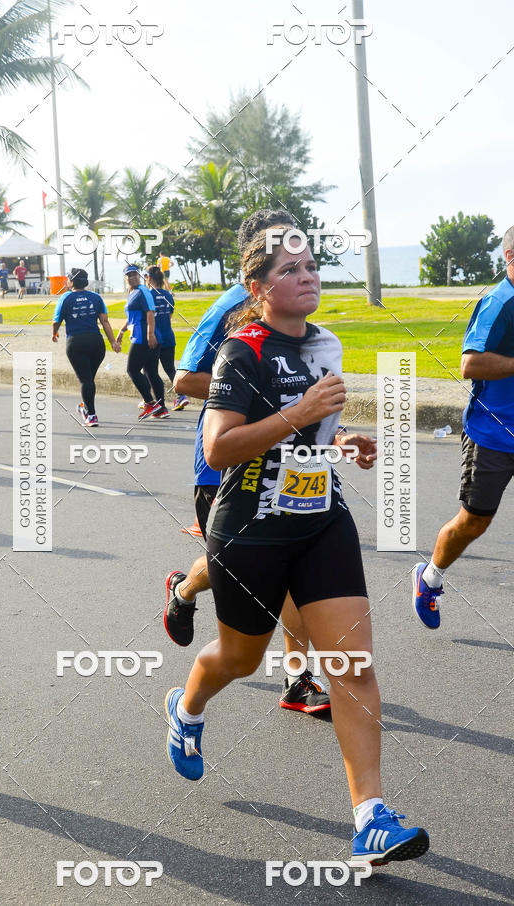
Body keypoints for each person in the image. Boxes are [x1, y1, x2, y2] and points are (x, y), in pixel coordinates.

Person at [165, 226, 430, 867]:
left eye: (312, 265)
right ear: (259, 289)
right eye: (291, 269)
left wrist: (346, 443)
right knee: (239, 658)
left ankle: (369, 816)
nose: (309, 275)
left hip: (320, 520)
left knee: (352, 663)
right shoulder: (242, 352)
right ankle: (187, 704)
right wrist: (302, 408)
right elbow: (220, 448)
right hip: (250, 527)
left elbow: (307, 438)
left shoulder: (326, 345)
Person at [166, 210, 331, 715]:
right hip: (224, 468)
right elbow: (185, 379)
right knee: (236, 573)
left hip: (292, 470)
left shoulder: (299, 306)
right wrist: (259, 397)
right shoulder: (233, 307)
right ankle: (185, 585)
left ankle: (296, 679)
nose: (301, 267)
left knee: (293, 581)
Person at [412, 224, 514, 628]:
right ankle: (430, 578)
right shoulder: (499, 302)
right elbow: (469, 365)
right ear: (510, 257)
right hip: (494, 433)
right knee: (475, 520)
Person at [52, 268, 116, 427]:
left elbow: (56, 321)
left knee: (86, 380)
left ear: (72, 281)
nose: (66, 281)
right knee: (88, 379)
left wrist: (54, 333)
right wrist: (113, 342)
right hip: (97, 343)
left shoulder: (65, 298)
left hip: (76, 343)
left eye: (68, 278)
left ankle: (91, 415)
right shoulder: (96, 297)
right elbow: (104, 321)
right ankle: (85, 407)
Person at [116, 264, 169, 419]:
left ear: (139, 276)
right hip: (141, 335)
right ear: (125, 278)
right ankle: (161, 408)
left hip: (144, 337)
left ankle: (150, 403)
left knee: (132, 370)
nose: (132, 277)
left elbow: (150, 313)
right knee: (151, 372)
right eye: (129, 275)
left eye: (134, 274)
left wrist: (150, 334)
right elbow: (132, 316)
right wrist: (122, 330)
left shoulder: (143, 291)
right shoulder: (133, 292)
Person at [146, 265, 188, 412]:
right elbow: (169, 315)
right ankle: (181, 396)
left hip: (154, 338)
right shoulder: (168, 295)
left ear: (149, 278)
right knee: (170, 369)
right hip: (168, 336)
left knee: (149, 371)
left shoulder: (147, 295)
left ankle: (151, 400)